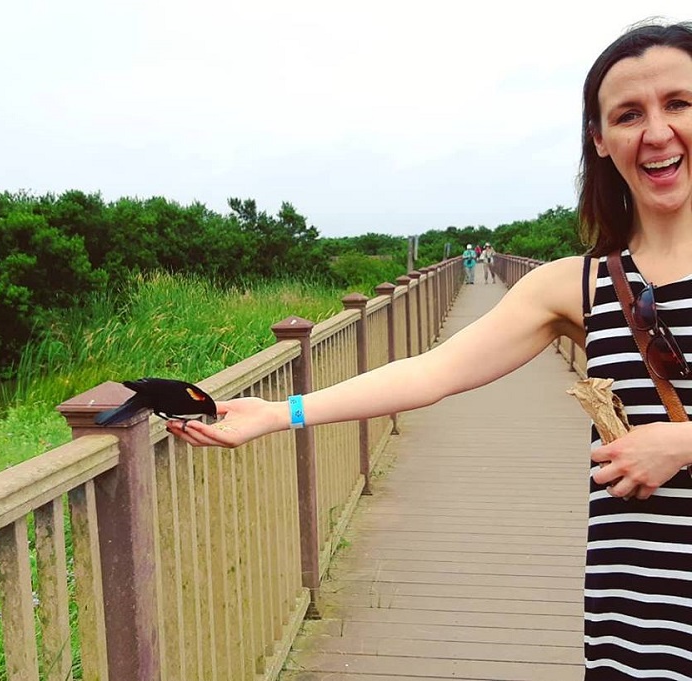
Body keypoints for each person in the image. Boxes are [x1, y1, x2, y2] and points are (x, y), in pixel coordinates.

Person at [169, 20, 692, 680]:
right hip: (634, 617)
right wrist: (282, 413)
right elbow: (432, 370)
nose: (656, 132)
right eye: (628, 114)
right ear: (600, 139)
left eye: (678, 103)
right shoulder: (579, 284)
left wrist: (679, 444)